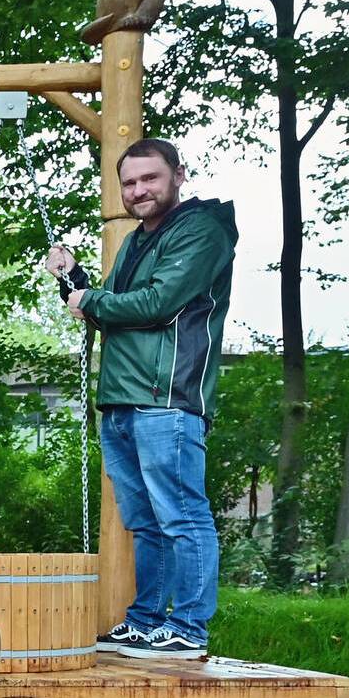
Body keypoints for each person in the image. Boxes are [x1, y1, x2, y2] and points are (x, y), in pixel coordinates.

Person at [47, 138, 236, 660]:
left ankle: (189, 627)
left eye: (150, 178)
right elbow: (109, 305)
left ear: (179, 174)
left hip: (167, 398)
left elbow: (156, 304)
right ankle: (147, 620)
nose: (138, 190)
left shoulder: (201, 230)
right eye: (129, 183)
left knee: (182, 516)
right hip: (121, 400)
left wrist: (92, 299)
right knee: (145, 522)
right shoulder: (136, 241)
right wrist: (74, 280)